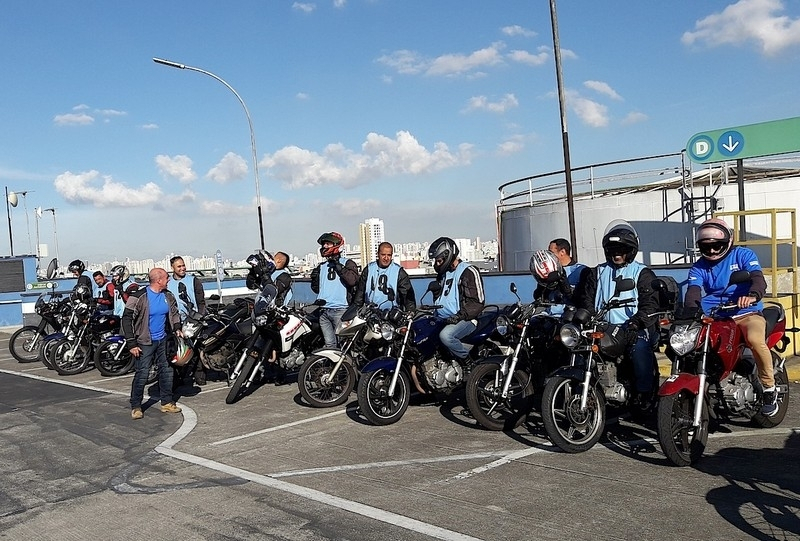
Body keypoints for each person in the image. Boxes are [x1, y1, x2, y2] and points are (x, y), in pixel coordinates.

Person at [684, 218, 777, 416]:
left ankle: (769, 389)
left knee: (754, 339)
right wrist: (690, 309)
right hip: (717, 316)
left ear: (728, 241)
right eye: (706, 246)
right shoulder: (698, 266)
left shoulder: (743, 254)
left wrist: (752, 295)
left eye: (716, 245)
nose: (711, 251)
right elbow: (693, 291)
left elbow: (757, 279)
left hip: (746, 312)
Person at [574, 219, 660, 412]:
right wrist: (587, 315)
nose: (617, 254)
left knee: (639, 349)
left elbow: (650, 303)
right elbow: (586, 299)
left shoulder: (642, 273)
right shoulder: (596, 272)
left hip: (633, 326)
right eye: (613, 250)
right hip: (602, 327)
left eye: (621, 250)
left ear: (631, 250)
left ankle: (644, 394)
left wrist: (637, 322)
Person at [122, 267, 183, 420]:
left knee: (167, 371)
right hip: (144, 342)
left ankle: (167, 402)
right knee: (142, 373)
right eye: (167, 278)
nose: (169, 280)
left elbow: (174, 314)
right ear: (159, 280)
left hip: (163, 339)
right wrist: (131, 343)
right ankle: (136, 406)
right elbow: (126, 319)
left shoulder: (168, 295)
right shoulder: (138, 297)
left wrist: (177, 328)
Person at [428, 236, 485, 362]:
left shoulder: (468, 271)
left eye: (439, 261)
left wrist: (460, 316)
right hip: (444, 318)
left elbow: (477, 302)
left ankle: (467, 361)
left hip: (466, 319)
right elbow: (442, 300)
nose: (436, 265)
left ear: (448, 256)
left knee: (446, 336)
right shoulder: (443, 275)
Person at [310, 232, 359, 348]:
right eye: (324, 244)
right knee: (329, 345)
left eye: (328, 243)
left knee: (344, 345)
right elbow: (317, 290)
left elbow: (353, 281)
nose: (325, 246)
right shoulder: (322, 266)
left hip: (340, 310)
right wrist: (314, 280)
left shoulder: (347, 263)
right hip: (324, 311)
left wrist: (339, 267)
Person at [166, 255, 208, 385]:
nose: (182, 268)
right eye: (179, 266)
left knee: (197, 347)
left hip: (194, 319)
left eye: (183, 265)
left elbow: (201, 301)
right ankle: (179, 376)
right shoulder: (168, 283)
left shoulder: (193, 280)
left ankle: (199, 374)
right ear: (172, 268)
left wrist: (200, 316)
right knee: (179, 349)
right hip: (176, 320)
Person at [349, 241, 416, 315]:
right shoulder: (369, 269)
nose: (386, 258)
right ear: (378, 254)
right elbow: (360, 293)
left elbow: (407, 295)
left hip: (392, 314)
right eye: (383, 255)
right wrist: (355, 311)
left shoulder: (399, 272)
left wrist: (410, 311)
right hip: (370, 314)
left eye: (389, 255)